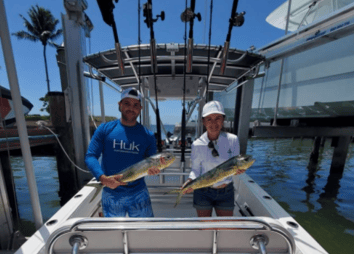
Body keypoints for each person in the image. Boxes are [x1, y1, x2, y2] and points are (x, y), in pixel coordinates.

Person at [85, 88, 163, 217]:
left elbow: (151, 162)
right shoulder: (104, 129)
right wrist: (102, 178)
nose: (131, 108)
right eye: (127, 103)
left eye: (135, 105)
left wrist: (154, 171)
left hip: (139, 192)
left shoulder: (148, 135)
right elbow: (91, 156)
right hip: (111, 192)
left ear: (140, 108)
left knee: (145, 230)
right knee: (113, 233)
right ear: (119, 105)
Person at [181, 101, 245, 217]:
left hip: (226, 191)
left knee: (225, 227)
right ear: (203, 121)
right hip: (203, 191)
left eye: (218, 118)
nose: (214, 123)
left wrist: (239, 170)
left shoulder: (233, 140)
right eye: (209, 119)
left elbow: (235, 164)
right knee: (205, 228)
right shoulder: (197, 144)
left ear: (223, 119)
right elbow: (195, 170)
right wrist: (190, 181)